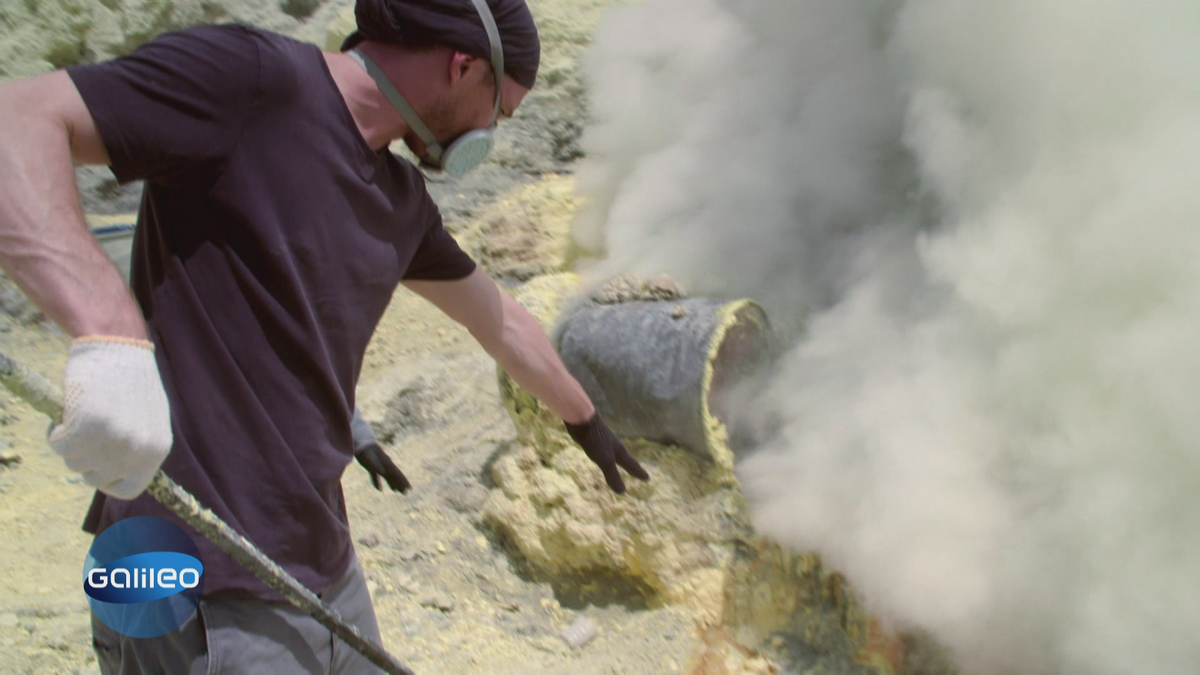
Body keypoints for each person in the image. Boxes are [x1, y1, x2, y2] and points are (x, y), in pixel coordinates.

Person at [0, 0, 650, 672]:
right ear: (463, 67)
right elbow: (15, 122)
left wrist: (585, 419)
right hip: (193, 573)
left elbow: (499, 318)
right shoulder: (254, 81)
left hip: (320, 561)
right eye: (498, 111)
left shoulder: (399, 201)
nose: (491, 132)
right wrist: (108, 329)